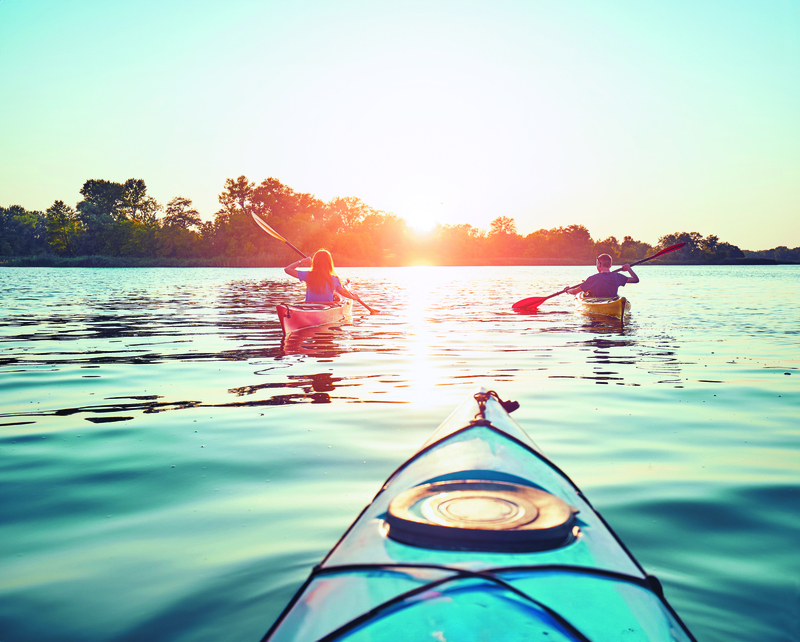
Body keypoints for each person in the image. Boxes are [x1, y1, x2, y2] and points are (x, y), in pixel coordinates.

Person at [284, 249, 359, 303]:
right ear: (329, 263)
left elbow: (288, 269)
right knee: (336, 295)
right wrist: (353, 297)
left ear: (315, 262)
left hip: (310, 307)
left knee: (335, 294)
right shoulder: (334, 279)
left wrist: (302, 261)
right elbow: (344, 293)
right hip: (326, 307)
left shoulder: (308, 275)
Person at [565, 254, 639, 298]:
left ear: (599, 264)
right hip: (611, 300)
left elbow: (575, 292)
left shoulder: (592, 279)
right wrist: (629, 268)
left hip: (599, 302)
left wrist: (567, 290)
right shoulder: (617, 276)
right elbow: (635, 279)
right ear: (610, 265)